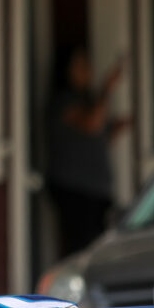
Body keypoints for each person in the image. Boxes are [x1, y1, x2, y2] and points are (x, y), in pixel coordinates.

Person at [47, 46, 130, 257]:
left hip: (96, 190)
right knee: (82, 251)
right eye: (81, 66)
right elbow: (92, 124)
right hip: (76, 190)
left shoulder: (87, 100)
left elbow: (96, 139)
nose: (87, 71)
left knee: (99, 248)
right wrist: (108, 87)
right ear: (66, 70)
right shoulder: (62, 102)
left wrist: (115, 131)